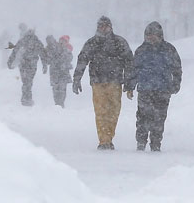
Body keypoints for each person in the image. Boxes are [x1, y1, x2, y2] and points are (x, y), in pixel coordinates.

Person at [72, 16, 133, 150]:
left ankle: (108, 137)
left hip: (115, 82)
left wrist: (129, 82)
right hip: (98, 82)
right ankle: (104, 141)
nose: (104, 28)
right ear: (97, 27)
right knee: (100, 111)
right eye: (101, 26)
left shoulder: (119, 42)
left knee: (114, 111)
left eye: (106, 26)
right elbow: (82, 60)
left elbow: (129, 62)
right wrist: (77, 78)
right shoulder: (92, 43)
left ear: (111, 27)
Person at [125, 21, 182, 151]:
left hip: (163, 90)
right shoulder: (141, 50)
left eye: (154, 34)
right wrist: (130, 86)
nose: (151, 37)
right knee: (143, 117)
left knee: (159, 118)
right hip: (145, 89)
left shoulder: (169, 49)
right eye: (148, 35)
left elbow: (177, 68)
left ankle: (156, 143)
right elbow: (134, 69)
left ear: (160, 35)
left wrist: (176, 83)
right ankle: (141, 142)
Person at [7, 27, 47, 106]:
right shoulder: (37, 41)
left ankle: (25, 98)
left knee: (25, 81)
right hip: (32, 64)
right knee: (28, 81)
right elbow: (43, 54)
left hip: (23, 64)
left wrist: (10, 61)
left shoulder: (23, 40)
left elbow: (15, 51)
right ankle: (27, 98)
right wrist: (44, 65)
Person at [46, 34, 74, 107]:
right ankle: (57, 103)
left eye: (64, 41)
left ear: (66, 42)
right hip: (54, 73)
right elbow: (48, 57)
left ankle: (61, 103)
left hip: (63, 73)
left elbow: (69, 59)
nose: (62, 42)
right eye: (61, 40)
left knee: (62, 89)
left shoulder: (68, 51)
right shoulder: (54, 48)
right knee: (55, 89)